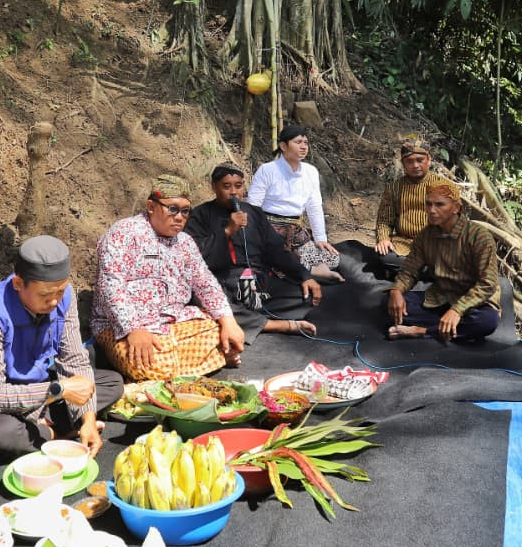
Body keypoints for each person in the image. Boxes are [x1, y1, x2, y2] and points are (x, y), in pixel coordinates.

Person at [0, 235, 123, 461]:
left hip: (44, 388)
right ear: (18, 284)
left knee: (112, 382)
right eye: (45, 295)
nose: (55, 301)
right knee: (2, 433)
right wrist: (59, 390)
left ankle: (44, 427)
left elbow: (74, 360)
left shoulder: (65, 297)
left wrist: (88, 420)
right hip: (6, 402)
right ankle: (57, 433)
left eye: (60, 292)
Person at [92, 175, 246, 381]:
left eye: (185, 211)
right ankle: (199, 363)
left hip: (174, 320)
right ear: (151, 206)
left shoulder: (185, 242)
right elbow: (111, 285)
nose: (180, 217)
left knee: (220, 332)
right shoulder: (123, 233)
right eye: (172, 209)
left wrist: (228, 321)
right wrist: (134, 330)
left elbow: (205, 282)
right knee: (145, 363)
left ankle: (178, 364)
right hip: (123, 325)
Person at [185, 162, 322, 342]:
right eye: (226, 186)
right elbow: (195, 255)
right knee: (206, 301)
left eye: (238, 186)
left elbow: (276, 250)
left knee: (304, 296)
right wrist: (227, 231)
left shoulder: (254, 213)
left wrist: (305, 275)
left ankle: (251, 319)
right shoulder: (200, 215)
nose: (233, 192)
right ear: (214, 187)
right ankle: (273, 324)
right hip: (224, 283)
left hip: (258, 283)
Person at [386, 180, 501, 342]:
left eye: (440, 205)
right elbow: (410, 270)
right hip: (440, 298)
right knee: (390, 305)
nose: (432, 210)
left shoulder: (479, 236)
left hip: (473, 304)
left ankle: (421, 331)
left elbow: (487, 284)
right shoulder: (426, 235)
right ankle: (448, 328)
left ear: (456, 208)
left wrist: (457, 310)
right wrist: (396, 291)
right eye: (428, 204)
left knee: (487, 321)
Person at [246, 125, 343, 282]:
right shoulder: (267, 170)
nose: (304, 146)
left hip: (295, 232)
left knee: (332, 258)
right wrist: (256, 235)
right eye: (298, 142)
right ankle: (310, 268)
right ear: (283, 146)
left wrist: (320, 239)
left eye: (305, 142)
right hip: (269, 230)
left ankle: (311, 267)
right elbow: (253, 206)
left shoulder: (311, 171)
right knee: (272, 256)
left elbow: (314, 207)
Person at [375, 138, 446, 273]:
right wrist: (383, 239)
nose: (415, 165)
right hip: (403, 244)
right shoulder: (394, 188)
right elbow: (384, 220)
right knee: (385, 257)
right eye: (410, 161)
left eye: (420, 160)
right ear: (403, 163)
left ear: (429, 160)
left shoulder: (444, 187)